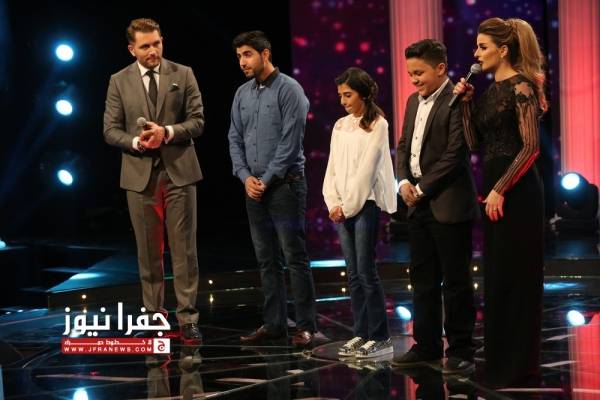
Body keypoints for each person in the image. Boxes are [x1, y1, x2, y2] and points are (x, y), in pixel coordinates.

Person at [453, 17, 546, 387]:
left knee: (519, 278)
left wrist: (500, 188)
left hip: (518, 192)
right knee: (499, 276)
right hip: (496, 189)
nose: (476, 54)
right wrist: (465, 105)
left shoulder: (521, 86)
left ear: (503, 50)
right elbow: (475, 143)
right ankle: (499, 362)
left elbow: (531, 147)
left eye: (483, 47)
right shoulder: (491, 90)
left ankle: (518, 365)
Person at [103, 18, 203, 342]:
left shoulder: (182, 74)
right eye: (145, 46)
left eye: (157, 43)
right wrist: (136, 142)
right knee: (148, 252)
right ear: (131, 49)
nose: (153, 51)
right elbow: (110, 130)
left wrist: (167, 132)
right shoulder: (119, 81)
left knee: (184, 250)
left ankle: (188, 318)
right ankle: (154, 316)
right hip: (140, 176)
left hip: (179, 173)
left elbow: (198, 121)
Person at [391, 39, 478, 374]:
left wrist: (421, 187)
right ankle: (426, 346)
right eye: (410, 73)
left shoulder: (456, 99)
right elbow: (403, 145)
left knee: (456, 282)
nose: (414, 80)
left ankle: (461, 350)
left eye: (419, 73)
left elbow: (456, 154)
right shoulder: (413, 101)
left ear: (440, 68)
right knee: (423, 280)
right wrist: (402, 182)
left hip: (447, 203)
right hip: (418, 205)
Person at [228, 30, 317, 346]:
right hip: (253, 188)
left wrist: (264, 181)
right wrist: (244, 177)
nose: (242, 62)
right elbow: (234, 138)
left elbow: (290, 144)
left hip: (284, 187)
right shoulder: (242, 93)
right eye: (239, 56)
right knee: (266, 259)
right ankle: (274, 324)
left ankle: (306, 326)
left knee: (294, 256)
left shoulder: (290, 89)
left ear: (265, 54)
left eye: (247, 55)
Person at [322, 67, 396, 358]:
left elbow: (367, 171)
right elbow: (332, 168)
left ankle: (380, 336)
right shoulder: (340, 125)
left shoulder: (378, 124)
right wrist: (333, 203)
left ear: (363, 94)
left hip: (364, 205)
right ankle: (361, 332)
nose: (342, 101)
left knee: (366, 271)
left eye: (348, 95)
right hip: (341, 207)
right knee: (353, 273)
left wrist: (347, 206)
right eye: (341, 95)